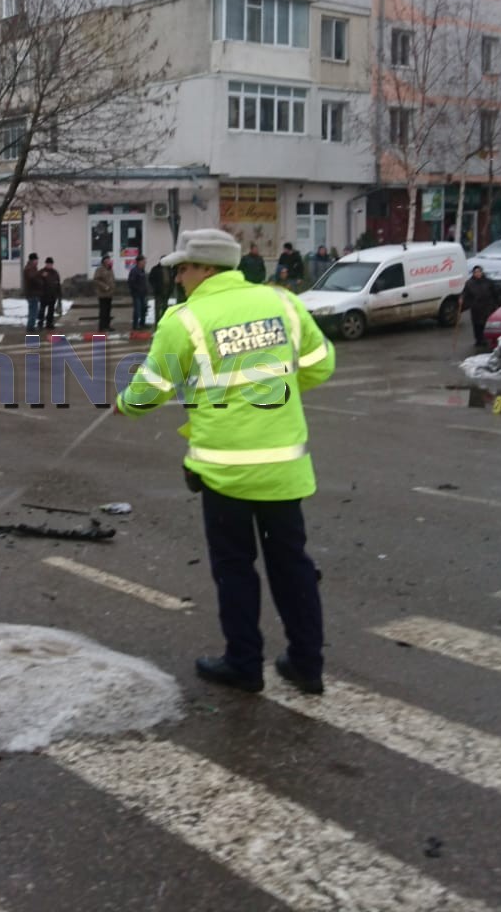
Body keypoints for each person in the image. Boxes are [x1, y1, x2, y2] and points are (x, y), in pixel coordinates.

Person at [115, 228, 335, 695]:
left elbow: (151, 389)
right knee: (292, 566)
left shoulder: (186, 320)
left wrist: (124, 405)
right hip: (283, 469)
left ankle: (244, 663)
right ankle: (307, 664)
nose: (178, 278)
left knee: (235, 568)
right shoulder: (283, 303)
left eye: (183, 269)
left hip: (224, 473)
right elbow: (320, 364)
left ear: (206, 268)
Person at [459, 264, 501, 351]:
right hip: (476, 307)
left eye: (479, 272)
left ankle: (487, 338)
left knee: (486, 323)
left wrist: (499, 304)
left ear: (482, 272)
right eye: (476, 272)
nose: (478, 274)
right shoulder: (469, 283)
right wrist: (461, 298)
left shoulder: (488, 282)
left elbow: (496, 293)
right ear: (473, 273)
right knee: (477, 324)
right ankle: (478, 340)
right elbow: (464, 293)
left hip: (488, 306)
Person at [93, 254, 117, 333]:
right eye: (107, 260)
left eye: (109, 260)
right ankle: (101, 327)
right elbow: (96, 280)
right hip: (102, 294)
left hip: (109, 294)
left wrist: (113, 288)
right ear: (103, 261)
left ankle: (107, 325)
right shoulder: (100, 269)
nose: (109, 261)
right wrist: (105, 286)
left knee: (108, 310)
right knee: (103, 311)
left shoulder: (110, 269)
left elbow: (112, 279)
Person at [38, 257, 62, 330]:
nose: (49, 265)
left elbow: (58, 283)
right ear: (46, 264)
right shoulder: (42, 272)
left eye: (50, 264)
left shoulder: (55, 273)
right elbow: (38, 282)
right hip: (44, 295)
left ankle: (49, 323)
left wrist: (59, 293)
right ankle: (40, 323)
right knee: (42, 310)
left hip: (52, 295)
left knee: (51, 311)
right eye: (48, 264)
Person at [128, 254, 149, 329]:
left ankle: (142, 323)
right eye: (143, 261)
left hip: (143, 294)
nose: (145, 262)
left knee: (144, 309)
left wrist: (145, 289)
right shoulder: (134, 271)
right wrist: (137, 289)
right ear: (139, 262)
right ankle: (135, 325)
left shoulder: (142, 270)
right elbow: (131, 282)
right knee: (137, 310)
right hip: (137, 294)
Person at [22, 253, 42, 333]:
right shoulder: (30, 268)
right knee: (33, 311)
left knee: (33, 311)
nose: (37, 261)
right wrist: (40, 278)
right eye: (36, 260)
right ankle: (30, 327)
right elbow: (32, 278)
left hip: (33, 293)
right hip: (32, 293)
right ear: (33, 260)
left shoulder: (32, 268)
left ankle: (31, 326)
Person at [148, 257, 169, 326]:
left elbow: (171, 278)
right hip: (158, 291)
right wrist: (155, 287)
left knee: (165, 307)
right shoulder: (155, 269)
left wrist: (170, 288)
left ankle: (164, 321)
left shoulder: (168, 269)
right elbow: (151, 279)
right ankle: (157, 322)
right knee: (158, 307)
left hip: (166, 291)